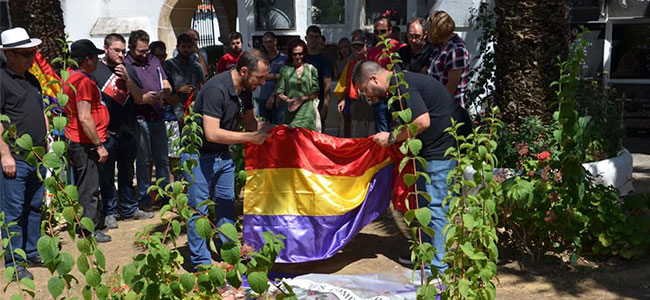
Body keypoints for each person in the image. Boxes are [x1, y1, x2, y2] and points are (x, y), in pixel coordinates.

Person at [352, 59, 472, 276]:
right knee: (424, 203)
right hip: (431, 149)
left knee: (435, 207)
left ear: (374, 78)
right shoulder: (397, 88)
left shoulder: (402, 85)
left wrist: (391, 137)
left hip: (442, 150)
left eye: (365, 90)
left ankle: (438, 268)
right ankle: (425, 255)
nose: (367, 96)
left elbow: (422, 121)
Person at [182, 49, 271, 269]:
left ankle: (230, 254)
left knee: (225, 206)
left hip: (222, 154)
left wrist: (281, 131)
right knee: (198, 211)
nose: (261, 83)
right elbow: (212, 133)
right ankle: (201, 264)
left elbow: (252, 122)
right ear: (244, 71)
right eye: (259, 78)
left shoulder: (245, 89)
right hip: (199, 156)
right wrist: (250, 138)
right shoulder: (216, 89)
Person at [0, 27, 48, 281]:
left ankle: (31, 250)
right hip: (15, 158)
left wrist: (47, 138)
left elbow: (39, 111)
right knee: (14, 212)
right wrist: (4, 154)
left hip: (36, 157)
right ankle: (14, 261)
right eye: (27, 53)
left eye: (33, 52)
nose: (32, 58)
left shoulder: (32, 80)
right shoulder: (1, 81)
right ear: (10, 54)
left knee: (35, 206)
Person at [94, 34, 154, 230]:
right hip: (107, 133)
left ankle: (129, 209)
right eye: (116, 50)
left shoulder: (128, 68)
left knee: (128, 172)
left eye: (123, 51)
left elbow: (138, 97)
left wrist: (128, 78)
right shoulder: (96, 70)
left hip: (128, 129)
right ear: (106, 49)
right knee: (107, 176)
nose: (121, 55)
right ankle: (109, 212)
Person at [64, 39, 112, 243]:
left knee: (85, 184)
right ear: (86, 60)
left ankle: (88, 223)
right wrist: (98, 145)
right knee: (89, 187)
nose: (98, 61)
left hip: (78, 139)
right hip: (83, 141)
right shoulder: (82, 81)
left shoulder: (70, 75)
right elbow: (84, 116)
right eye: (95, 57)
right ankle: (88, 229)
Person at [124, 30, 173, 211]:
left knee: (162, 158)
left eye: (146, 50)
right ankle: (145, 197)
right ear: (131, 48)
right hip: (139, 118)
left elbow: (165, 80)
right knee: (143, 160)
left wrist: (166, 90)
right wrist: (143, 97)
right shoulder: (126, 64)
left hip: (157, 115)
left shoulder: (153, 60)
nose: (145, 55)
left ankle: (165, 195)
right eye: (141, 51)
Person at [163, 33, 205, 181]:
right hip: (173, 113)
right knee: (174, 151)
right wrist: (178, 89)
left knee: (191, 148)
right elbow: (164, 88)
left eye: (189, 47)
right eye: (184, 47)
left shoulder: (196, 67)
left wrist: (197, 103)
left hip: (192, 115)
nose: (186, 50)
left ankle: (189, 181)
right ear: (178, 47)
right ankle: (174, 186)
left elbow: (202, 87)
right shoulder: (169, 65)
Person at [367, 15, 405, 133]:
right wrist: (373, 96)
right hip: (380, 98)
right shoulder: (372, 51)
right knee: (381, 133)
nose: (379, 35)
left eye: (382, 31)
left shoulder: (400, 48)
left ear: (390, 30)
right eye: (376, 32)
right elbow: (369, 73)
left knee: (398, 132)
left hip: (397, 96)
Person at [334, 31, 374, 138]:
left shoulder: (373, 63)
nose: (356, 49)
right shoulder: (351, 64)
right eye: (354, 47)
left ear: (366, 47)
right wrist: (342, 99)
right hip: (356, 103)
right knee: (357, 133)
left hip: (371, 102)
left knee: (371, 132)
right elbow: (345, 83)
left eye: (359, 46)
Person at [427, 11, 470, 108]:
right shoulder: (439, 46)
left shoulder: (456, 50)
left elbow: (452, 85)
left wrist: (437, 105)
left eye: (429, 28)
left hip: (451, 107)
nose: (427, 31)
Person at [276, 39, 320, 131]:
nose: (298, 57)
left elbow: (316, 91)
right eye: (294, 54)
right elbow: (279, 92)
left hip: (307, 112)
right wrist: (288, 100)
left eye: (300, 54)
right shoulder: (285, 70)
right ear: (290, 55)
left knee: (307, 141)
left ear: (304, 54)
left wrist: (302, 99)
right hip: (291, 111)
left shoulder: (311, 69)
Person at [304, 25, 333, 131]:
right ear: (306, 38)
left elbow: (327, 84)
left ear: (320, 39)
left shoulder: (324, 60)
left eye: (316, 37)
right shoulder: (299, 57)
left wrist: (325, 104)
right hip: (301, 101)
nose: (313, 40)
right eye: (311, 37)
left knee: (319, 132)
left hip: (318, 101)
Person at [256, 31, 287, 125]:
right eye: (265, 42)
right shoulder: (262, 59)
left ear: (275, 41)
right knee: (264, 127)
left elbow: (284, 78)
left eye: (269, 41)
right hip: (263, 98)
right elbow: (258, 76)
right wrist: (276, 76)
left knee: (279, 128)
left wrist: (274, 96)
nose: (267, 45)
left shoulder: (283, 58)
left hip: (278, 99)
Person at [334, 37, 353, 137]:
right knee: (344, 116)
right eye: (341, 48)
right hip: (341, 91)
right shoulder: (339, 61)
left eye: (346, 47)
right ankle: (346, 137)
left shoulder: (352, 60)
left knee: (350, 116)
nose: (344, 50)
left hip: (350, 91)